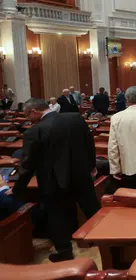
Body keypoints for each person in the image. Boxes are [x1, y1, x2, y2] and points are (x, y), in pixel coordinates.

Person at [11, 98, 100, 262]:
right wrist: (91, 166)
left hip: (53, 181)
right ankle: (107, 241)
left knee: (56, 215)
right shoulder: (75, 118)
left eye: (27, 115)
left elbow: (27, 165)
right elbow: (89, 144)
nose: (27, 119)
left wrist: (17, 188)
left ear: (34, 112)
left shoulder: (33, 132)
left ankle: (65, 251)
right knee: (93, 210)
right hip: (81, 174)